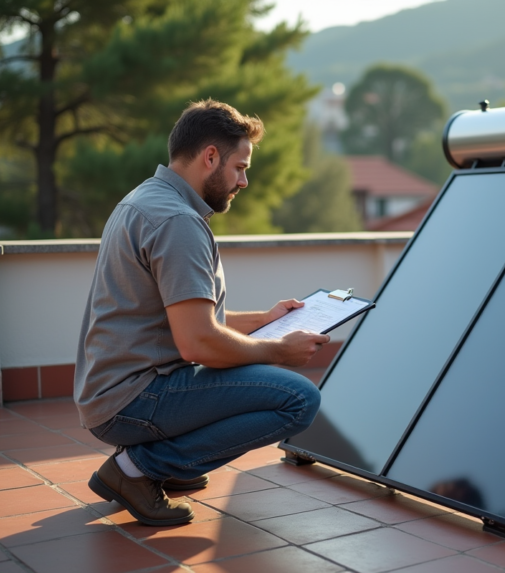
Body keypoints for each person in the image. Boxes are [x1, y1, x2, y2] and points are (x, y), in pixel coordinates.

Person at [74, 99, 329, 526]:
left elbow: (184, 323)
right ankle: (136, 470)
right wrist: (277, 351)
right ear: (210, 156)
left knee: (261, 383)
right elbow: (197, 342)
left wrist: (263, 321)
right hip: (134, 397)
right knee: (299, 398)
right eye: (240, 167)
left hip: (112, 390)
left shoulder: (145, 199)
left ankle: (167, 466)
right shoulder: (178, 222)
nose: (244, 181)